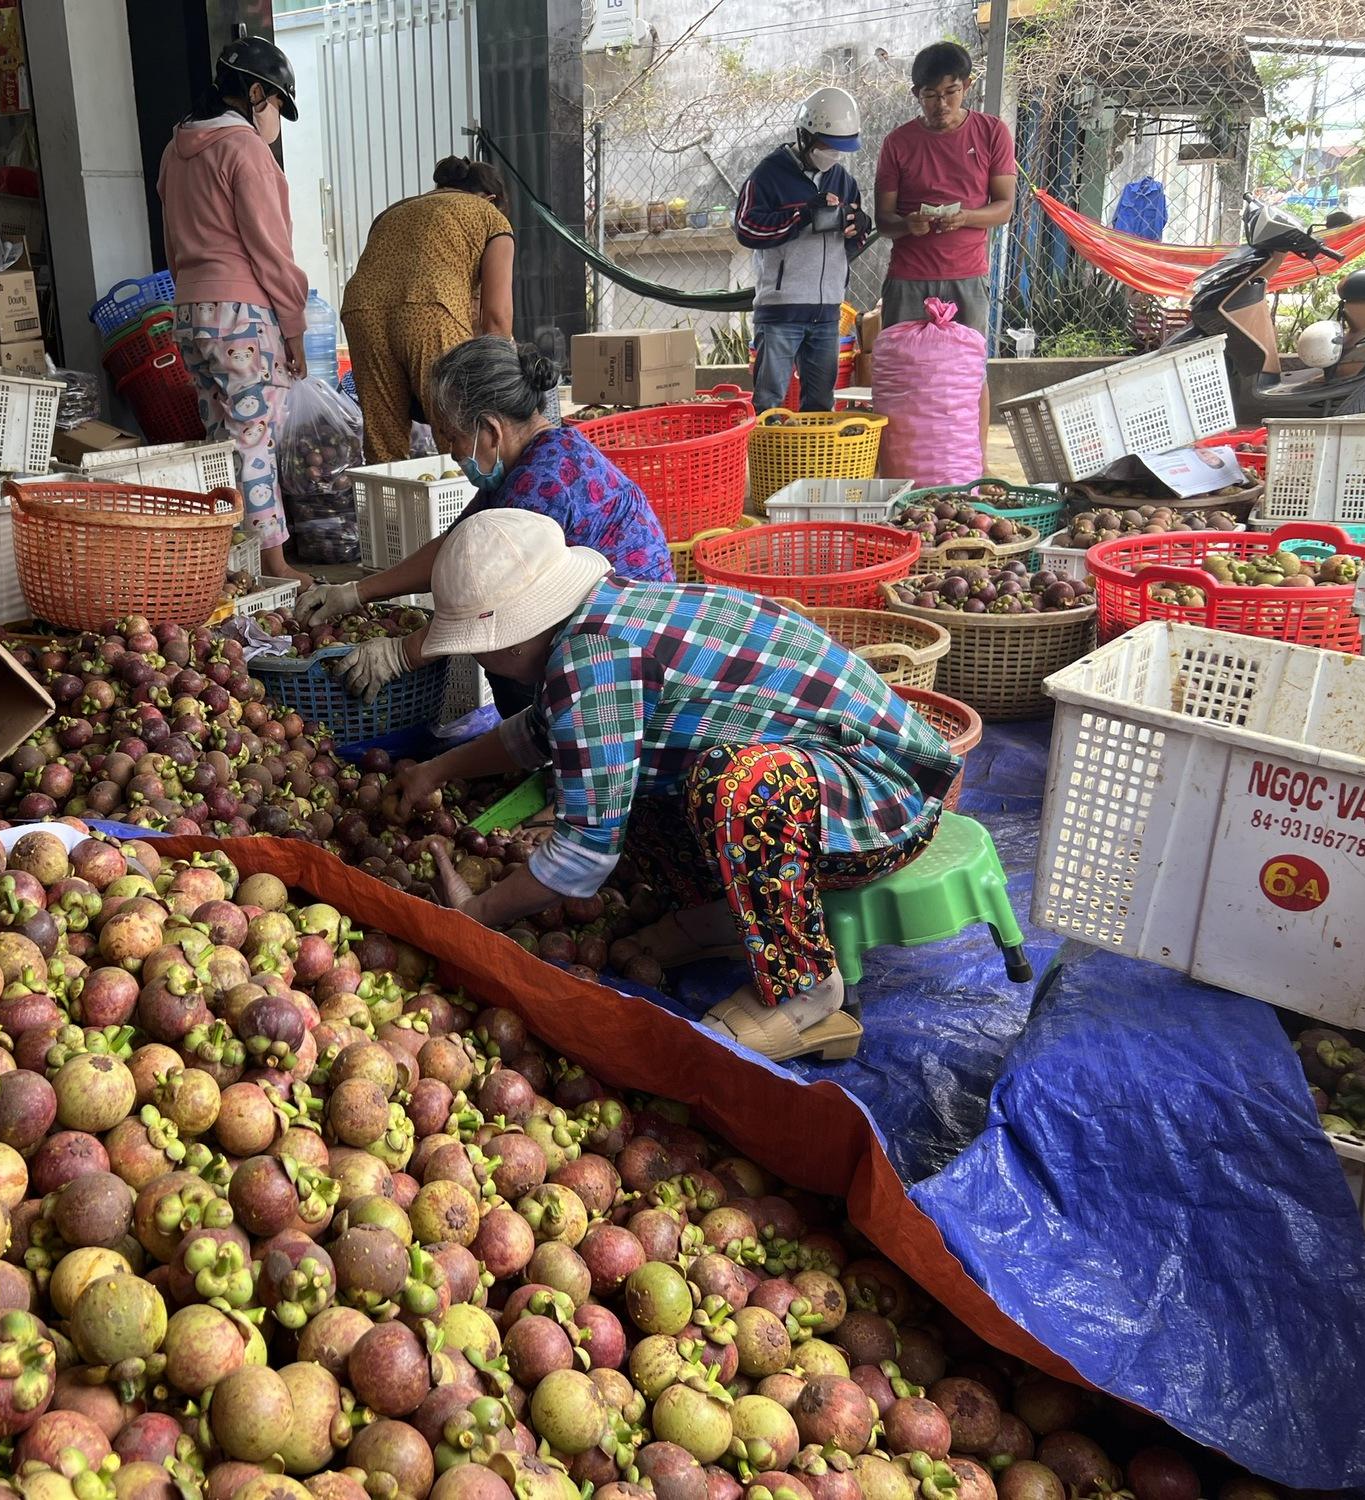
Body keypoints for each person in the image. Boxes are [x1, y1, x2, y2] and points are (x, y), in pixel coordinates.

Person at [394, 509, 958, 1062]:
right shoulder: (601, 618)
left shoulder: (594, 657)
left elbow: (583, 853)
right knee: (622, 772)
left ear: (509, 641)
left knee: (743, 787)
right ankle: (719, 915)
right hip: (831, 777)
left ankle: (806, 989)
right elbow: (539, 734)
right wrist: (434, 772)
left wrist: (478, 912)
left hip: (884, 798)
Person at [293, 336, 673, 710]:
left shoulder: (543, 484)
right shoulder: (530, 460)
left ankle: (536, 747)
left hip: (626, 652)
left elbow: (489, 603)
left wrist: (403, 654)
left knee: (499, 645)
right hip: (613, 628)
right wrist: (355, 592)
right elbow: (455, 546)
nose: (454, 451)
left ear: (490, 431)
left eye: (455, 436)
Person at [157, 35, 313, 583]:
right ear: (254, 93)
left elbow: (174, 243)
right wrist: (293, 327)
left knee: (218, 439)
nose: (275, 123)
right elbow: (269, 247)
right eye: (276, 107)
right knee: (254, 437)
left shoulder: (176, 151)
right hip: (242, 313)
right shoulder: (244, 149)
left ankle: (226, 560)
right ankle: (274, 561)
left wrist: (189, 298)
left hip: (189, 310)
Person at [874, 42, 1016, 436]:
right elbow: (883, 220)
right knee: (903, 374)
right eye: (931, 96)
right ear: (916, 95)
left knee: (970, 372)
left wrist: (967, 217)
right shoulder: (898, 143)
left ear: (967, 86)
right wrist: (908, 224)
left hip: (967, 275)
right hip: (908, 277)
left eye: (950, 93)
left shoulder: (991, 133)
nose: (941, 105)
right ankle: (902, 460)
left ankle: (976, 460)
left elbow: (1004, 207)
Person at [342, 157, 516, 462]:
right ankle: (471, 506)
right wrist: (499, 378)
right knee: (460, 426)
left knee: (383, 440)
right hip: (430, 308)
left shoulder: (392, 212)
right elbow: (496, 317)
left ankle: (390, 507)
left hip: (361, 310)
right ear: (490, 199)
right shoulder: (489, 216)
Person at [735, 87, 869, 413]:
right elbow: (746, 228)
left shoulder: (842, 179)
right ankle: (769, 463)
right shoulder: (768, 175)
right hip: (782, 309)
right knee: (770, 401)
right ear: (806, 135)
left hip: (827, 313)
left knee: (822, 402)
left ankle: (812, 464)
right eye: (827, 146)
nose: (834, 155)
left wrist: (859, 226)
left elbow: (849, 246)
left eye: (840, 149)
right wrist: (803, 214)